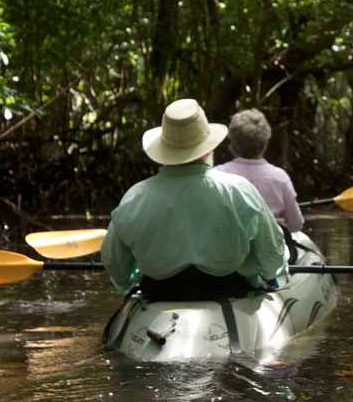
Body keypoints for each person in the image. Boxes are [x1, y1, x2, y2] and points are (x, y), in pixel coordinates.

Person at [100, 98, 288, 300]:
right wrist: (268, 277)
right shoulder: (239, 191)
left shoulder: (134, 198)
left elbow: (113, 262)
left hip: (158, 297)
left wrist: (131, 282)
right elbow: (272, 256)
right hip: (229, 296)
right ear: (208, 149)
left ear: (163, 149)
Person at [215, 108, 304, 258]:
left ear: (233, 143)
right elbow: (296, 225)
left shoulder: (217, 175)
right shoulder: (279, 177)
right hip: (272, 255)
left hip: (230, 255)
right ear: (265, 143)